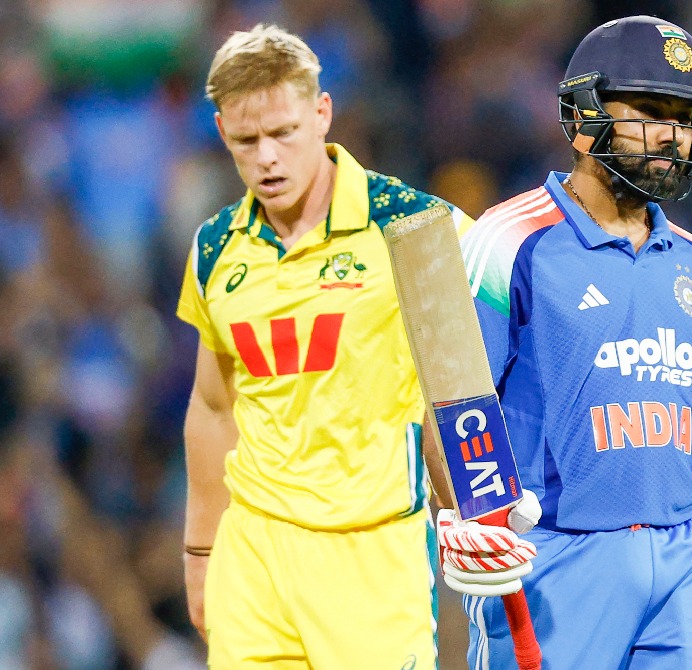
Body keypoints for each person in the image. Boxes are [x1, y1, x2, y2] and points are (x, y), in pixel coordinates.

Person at [435, 15, 692, 669]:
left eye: (684, 118)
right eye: (651, 112)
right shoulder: (507, 241)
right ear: (584, 116)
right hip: (557, 559)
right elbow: (449, 409)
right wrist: (466, 519)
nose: (672, 135)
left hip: (689, 562)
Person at [177, 24, 471, 669]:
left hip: (371, 552)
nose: (267, 159)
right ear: (222, 130)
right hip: (253, 554)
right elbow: (214, 407)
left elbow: (490, 360)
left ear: (321, 114)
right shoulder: (215, 248)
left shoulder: (414, 225)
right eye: (247, 140)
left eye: (284, 133)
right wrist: (201, 553)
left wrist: (483, 505)